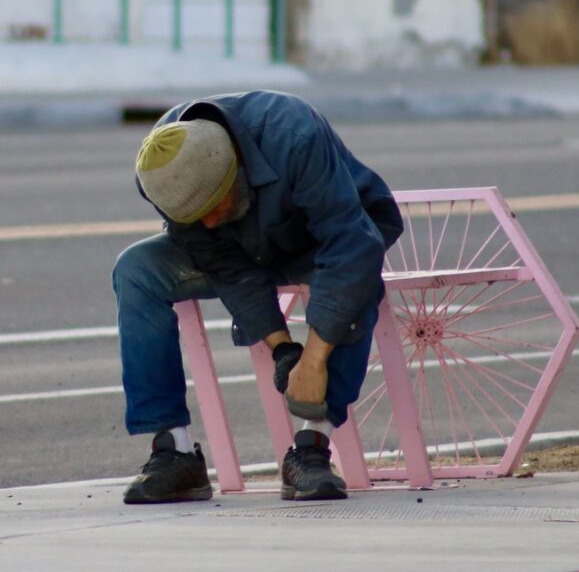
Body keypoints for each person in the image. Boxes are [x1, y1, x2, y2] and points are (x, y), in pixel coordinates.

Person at [113, 90, 402, 504]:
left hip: (321, 239)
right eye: (197, 217)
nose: (208, 220)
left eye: (214, 205)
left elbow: (350, 245)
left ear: (236, 169)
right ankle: (174, 453)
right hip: (244, 249)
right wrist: (283, 349)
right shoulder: (163, 169)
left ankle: (311, 448)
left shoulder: (293, 134)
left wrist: (314, 359)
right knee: (135, 269)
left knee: (356, 280)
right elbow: (223, 263)